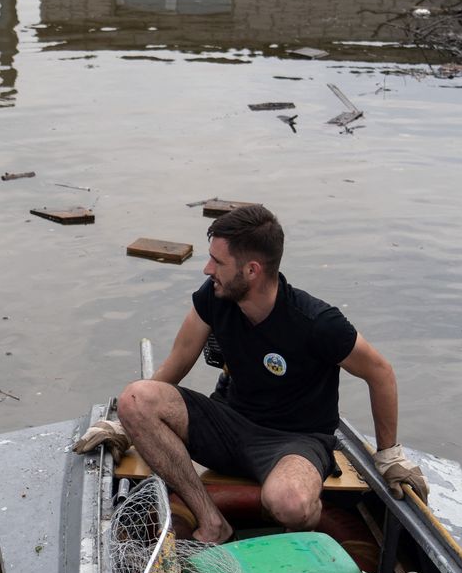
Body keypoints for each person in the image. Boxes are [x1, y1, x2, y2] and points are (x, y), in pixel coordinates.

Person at [74, 205, 428, 543]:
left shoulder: (317, 322)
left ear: (252, 270)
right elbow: (177, 364)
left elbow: (380, 372)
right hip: (227, 424)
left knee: (290, 503)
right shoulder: (214, 298)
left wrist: (388, 454)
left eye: (218, 261)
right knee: (135, 398)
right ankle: (212, 520)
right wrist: (127, 424)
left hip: (295, 441)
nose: (207, 270)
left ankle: (312, 540)